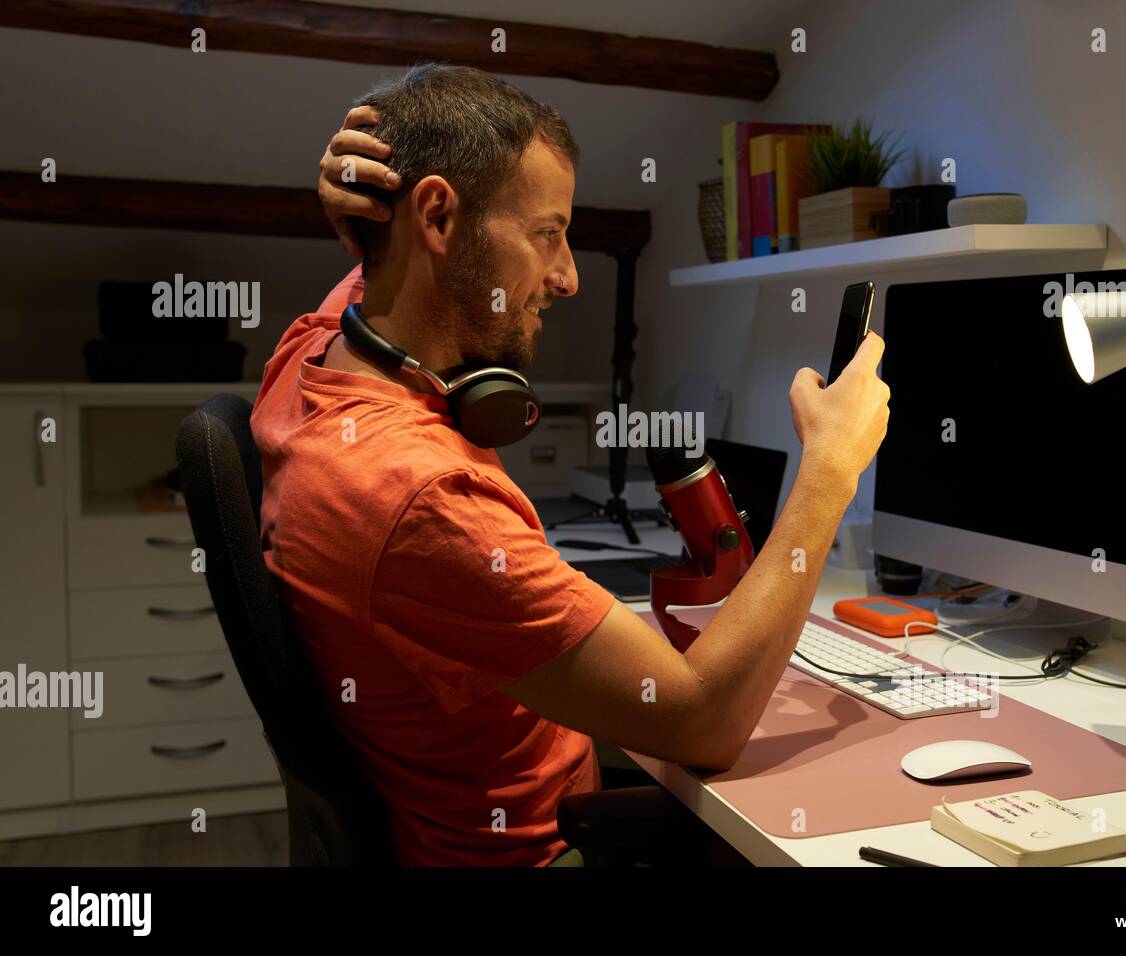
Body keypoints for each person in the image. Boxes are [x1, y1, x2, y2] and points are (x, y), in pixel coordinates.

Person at [253, 63, 890, 866]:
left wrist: (365, 224)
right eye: (548, 234)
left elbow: (376, 279)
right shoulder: (419, 495)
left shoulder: (306, 360)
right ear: (440, 217)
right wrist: (831, 467)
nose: (568, 276)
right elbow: (702, 723)